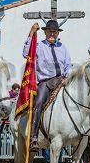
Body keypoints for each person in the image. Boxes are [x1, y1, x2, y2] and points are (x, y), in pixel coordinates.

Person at [23, 20, 72, 151]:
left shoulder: (63, 47)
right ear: (45, 32)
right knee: (38, 103)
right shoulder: (38, 46)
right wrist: (32, 32)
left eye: (54, 31)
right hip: (46, 82)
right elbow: (25, 53)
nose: (52, 33)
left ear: (57, 33)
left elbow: (68, 65)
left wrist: (67, 77)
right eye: (49, 31)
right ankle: (33, 137)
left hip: (62, 81)